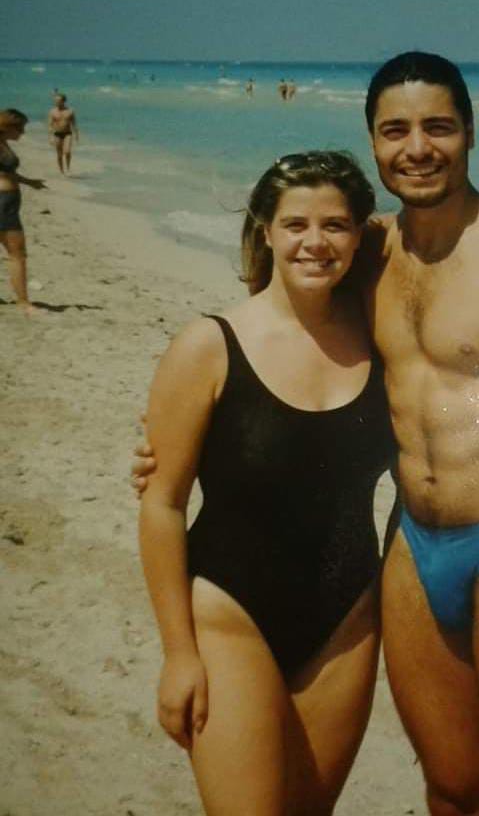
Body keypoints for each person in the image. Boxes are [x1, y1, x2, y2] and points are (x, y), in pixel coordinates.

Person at [135, 52, 479, 815]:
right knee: (453, 789)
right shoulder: (371, 252)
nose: (417, 147)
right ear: (374, 142)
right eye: (396, 130)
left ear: (471, 133)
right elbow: (290, 330)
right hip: (412, 545)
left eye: (439, 127)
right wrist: (186, 439)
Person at [138, 151, 396, 816]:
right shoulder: (210, 343)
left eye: (336, 225)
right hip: (229, 613)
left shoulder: (382, 342)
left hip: (348, 620)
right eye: (297, 224)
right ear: (266, 230)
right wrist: (177, 655)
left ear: (360, 232)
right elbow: (162, 505)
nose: (316, 242)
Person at [0, 109, 46, 317]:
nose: (22, 132)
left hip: (7, 203)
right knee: (17, 254)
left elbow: (8, 172)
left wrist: (30, 182)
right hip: (3, 205)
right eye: (19, 128)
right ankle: (23, 303)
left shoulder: (3, 143)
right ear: (7, 126)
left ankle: (23, 301)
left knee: (16, 254)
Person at [47, 92, 79, 175]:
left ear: (63, 101)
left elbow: (74, 124)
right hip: (57, 134)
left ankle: (68, 168)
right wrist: (50, 137)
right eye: (55, 101)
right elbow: (50, 125)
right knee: (59, 154)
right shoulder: (52, 111)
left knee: (67, 151)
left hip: (68, 133)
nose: (56, 102)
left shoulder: (70, 111)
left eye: (58, 101)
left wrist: (76, 135)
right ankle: (62, 171)